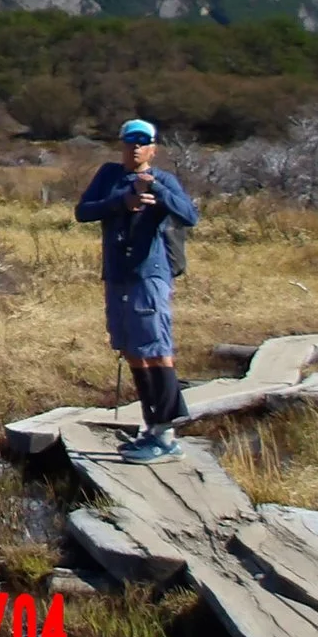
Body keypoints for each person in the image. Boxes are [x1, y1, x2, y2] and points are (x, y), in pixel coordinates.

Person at [75, 118, 200, 463]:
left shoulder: (164, 180)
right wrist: (123, 201)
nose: (135, 148)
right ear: (121, 145)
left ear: (153, 149)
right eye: (130, 141)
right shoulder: (108, 176)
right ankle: (151, 426)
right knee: (131, 348)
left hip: (150, 274)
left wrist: (156, 192)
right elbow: (83, 212)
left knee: (156, 347)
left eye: (143, 142)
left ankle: (167, 434)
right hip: (117, 275)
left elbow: (190, 215)